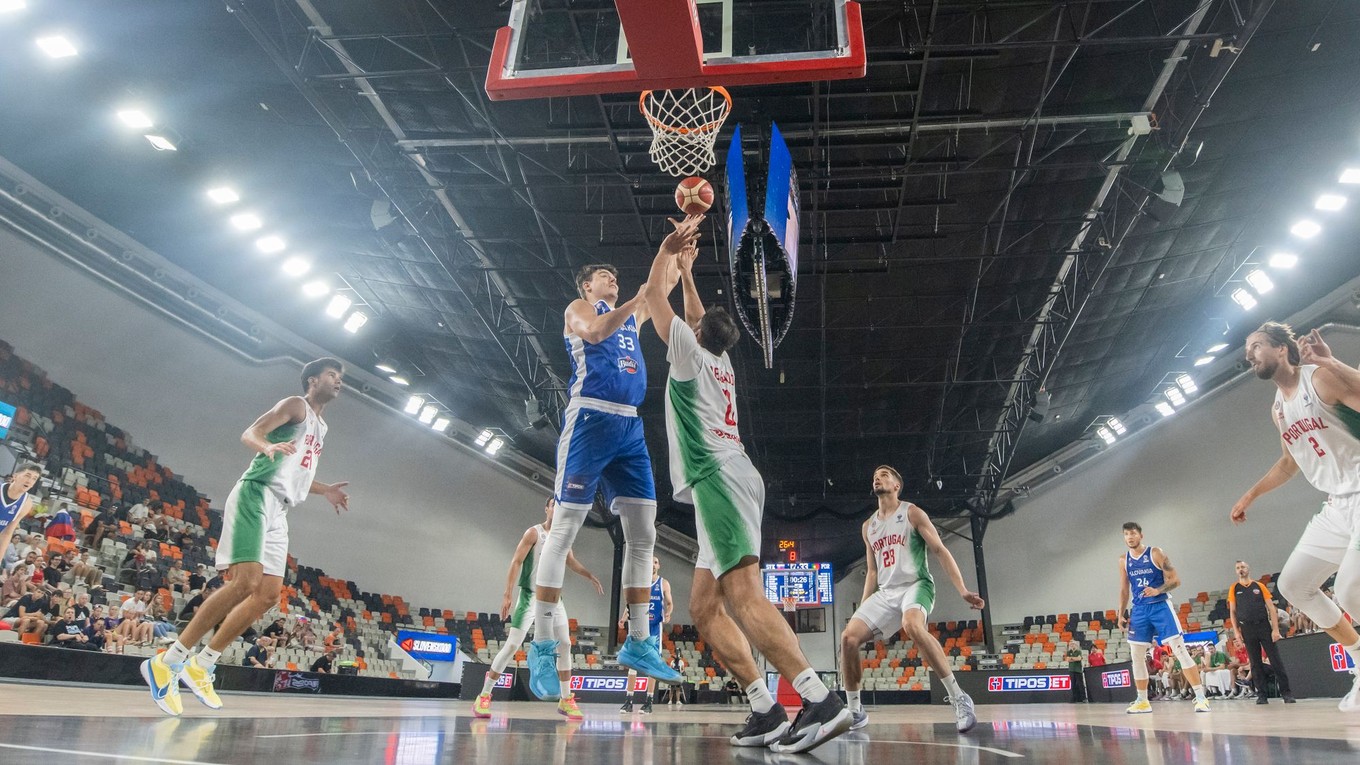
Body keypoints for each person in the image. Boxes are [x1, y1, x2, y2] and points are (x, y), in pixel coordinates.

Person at [640, 223, 851, 754]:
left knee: (745, 597)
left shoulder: (689, 352)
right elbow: (693, 316)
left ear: (698, 333)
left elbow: (651, 299)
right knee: (703, 610)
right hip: (733, 476)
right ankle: (765, 708)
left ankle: (820, 699)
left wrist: (668, 254)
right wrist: (688, 270)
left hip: (720, 480)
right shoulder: (720, 359)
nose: (692, 320)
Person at [524, 234, 689, 705]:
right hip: (590, 419)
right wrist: (639, 294)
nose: (612, 279)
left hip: (629, 427)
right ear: (587, 284)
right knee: (565, 528)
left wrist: (676, 254)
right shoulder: (580, 309)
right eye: (604, 276)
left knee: (644, 532)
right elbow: (595, 334)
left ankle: (638, 640)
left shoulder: (630, 319)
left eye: (615, 277)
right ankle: (541, 646)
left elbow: (663, 285)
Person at [142, 357, 350, 716]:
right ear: (313, 380)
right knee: (245, 582)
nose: (339, 381)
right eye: (333, 375)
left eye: (341, 378)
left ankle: (202, 664)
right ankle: (168, 660)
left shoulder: (321, 426)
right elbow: (251, 432)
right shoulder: (295, 405)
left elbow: (294, 474)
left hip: (280, 508)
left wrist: (325, 489)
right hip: (256, 494)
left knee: (268, 595)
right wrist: (265, 446)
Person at [1233, 324, 1360, 710]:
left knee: (1350, 590)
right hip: (1337, 504)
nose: (1249, 353)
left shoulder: (1318, 378)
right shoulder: (1278, 409)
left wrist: (1333, 361)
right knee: (1294, 584)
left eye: (1256, 345)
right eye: (1247, 348)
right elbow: (1290, 463)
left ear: (1282, 348)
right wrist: (1251, 494)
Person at [840, 466, 985, 734]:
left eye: (884, 474)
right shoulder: (868, 526)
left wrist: (963, 590)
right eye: (875, 475)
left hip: (916, 585)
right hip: (886, 592)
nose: (878, 477)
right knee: (848, 638)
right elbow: (872, 571)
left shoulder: (911, 512)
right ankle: (855, 710)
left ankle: (958, 697)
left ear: (897, 485)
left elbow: (940, 550)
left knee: (913, 626)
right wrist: (863, 607)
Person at [472, 497, 603, 720]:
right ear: (546, 508)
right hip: (530, 596)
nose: (557, 509)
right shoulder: (534, 533)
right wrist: (507, 594)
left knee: (565, 644)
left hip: (554, 599)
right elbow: (516, 561)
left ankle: (566, 698)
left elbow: (571, 561)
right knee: (512, 645)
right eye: (554, 505)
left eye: (560, 506)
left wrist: (589, 575)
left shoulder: (563, 537)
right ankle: (484, 696)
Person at [1117, 522, 1210, 713]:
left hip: (1160, 606)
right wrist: (1120, 613)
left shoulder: (1155, 553)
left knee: (1180, 650)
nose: (1130, 537)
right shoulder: (1123, 560)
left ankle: (1201, 697)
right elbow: (1124, 590)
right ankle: (1142, 701)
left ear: (1141, 535)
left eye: (1133, 533)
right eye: (1126, 534)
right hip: (1139, 609)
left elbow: (1175, 580)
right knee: (1136, 656)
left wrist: (1157, 590)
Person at [1228, 560, 1295, 704]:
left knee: (1275, 660)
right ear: (1236, 571)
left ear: (1248, 569)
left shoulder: (1259, 586)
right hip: (1247, 628)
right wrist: (1237, 632)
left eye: (1243, 567)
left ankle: (1286, 693)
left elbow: (1271, 608)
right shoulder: (1234, 588)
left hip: (1263, 626)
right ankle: (1261, 695)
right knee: (1255, 663)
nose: (1241, 569)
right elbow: (1233, 612)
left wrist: (1275, 629)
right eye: (1238, 568)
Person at [620, 556, 672, 714]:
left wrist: (668, 613)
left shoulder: (663, 583)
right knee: (632, 665)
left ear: (659, 565)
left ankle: (648, 702)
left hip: (654, 628)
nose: (653, 564)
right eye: (650, 562)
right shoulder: (639, 582)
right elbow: (631, 604)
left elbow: (669, 602)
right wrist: (623, 618)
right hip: (638, 625)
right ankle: (628, 701)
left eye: (655, 562)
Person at [0, 464, 41, 574]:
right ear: (15, 476)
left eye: (34, 478)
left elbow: (7, 533)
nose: (29, 480)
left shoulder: (26, 503)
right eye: (27, 475)